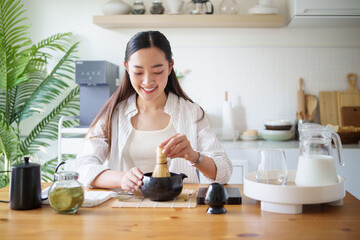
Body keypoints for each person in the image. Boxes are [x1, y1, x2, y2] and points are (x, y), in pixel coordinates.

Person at [73, 31, 232, 192]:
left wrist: (193, 156)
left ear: (170, 67)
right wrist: (122, 178)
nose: (148, 81)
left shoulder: (192, 112)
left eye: (157, 71)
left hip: (180, 212)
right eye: (138, 72)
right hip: (124, 211)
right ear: (127, 68)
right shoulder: (114, 113)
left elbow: (224, 171)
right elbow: (83, 167)